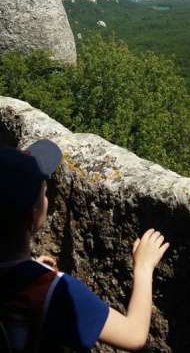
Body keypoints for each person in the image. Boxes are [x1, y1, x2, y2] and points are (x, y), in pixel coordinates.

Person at [0, 140, 170, 352]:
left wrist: (31, 267)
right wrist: (144, 267)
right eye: (43, 192)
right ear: (33, 216)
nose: (46, 197)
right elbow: (133, 335)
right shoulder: (53, 291)